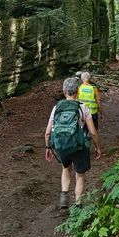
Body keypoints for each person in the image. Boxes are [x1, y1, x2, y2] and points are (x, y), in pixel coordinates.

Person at [45, 77, 101, 209]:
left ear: (64, 91)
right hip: (79, 147)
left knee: (66, 168)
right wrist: (98, 147)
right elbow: (93, 132)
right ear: (77, 91)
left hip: (61, 146)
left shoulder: (56, 108)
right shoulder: (83, 108)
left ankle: (64, 197)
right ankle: (78, 205)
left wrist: (48, 146)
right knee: (80, 175)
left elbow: (48, 132)